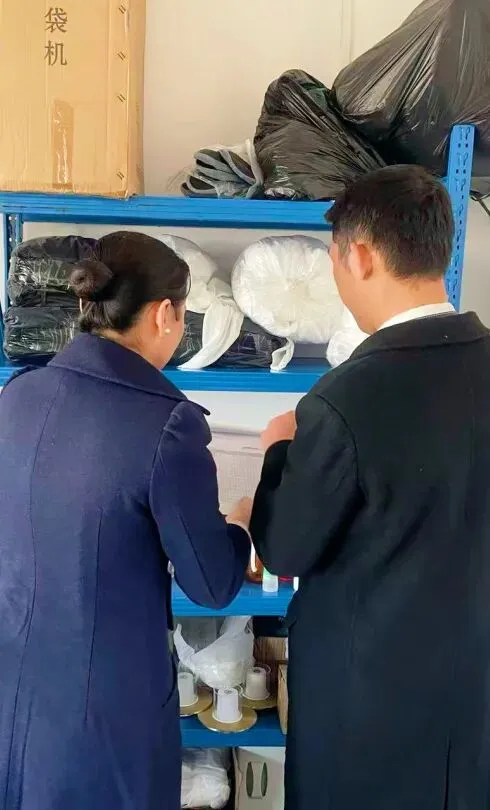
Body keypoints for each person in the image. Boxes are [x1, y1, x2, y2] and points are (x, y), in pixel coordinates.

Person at [250, 166, 490, 810]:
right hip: (472, 698)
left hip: (368, 711)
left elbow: (286, 548)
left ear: (359, 256)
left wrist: (278, 450)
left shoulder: (347, 398)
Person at [0, 231, 251, 810]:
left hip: (17, 692)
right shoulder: (167, 424)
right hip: (104, 721)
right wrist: (239, 524)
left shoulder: (19, 393)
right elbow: (211, 584)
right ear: (164, 314)